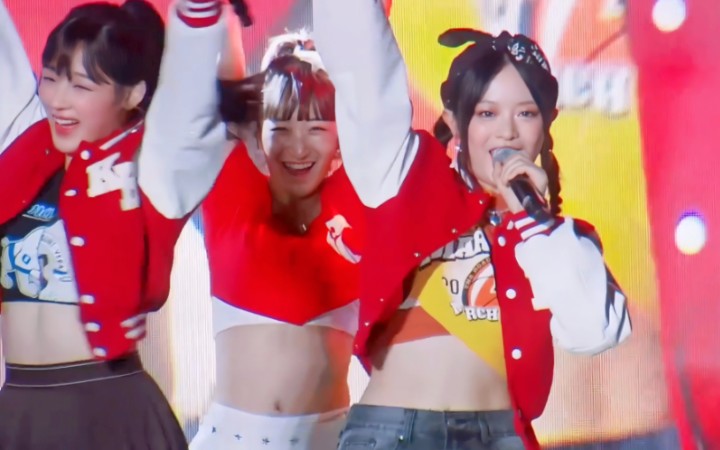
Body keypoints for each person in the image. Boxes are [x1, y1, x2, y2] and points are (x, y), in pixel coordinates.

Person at [313, 0, 632, 449]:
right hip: (396, 434)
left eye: (525, 113)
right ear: (455, 122)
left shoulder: (557, 239)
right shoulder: (406, 177)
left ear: (547, 124)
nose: (507, 132)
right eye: (487, 113)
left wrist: (530, 218)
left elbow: (595, 331)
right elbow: (360, 63)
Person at [0, 0, 230, 447]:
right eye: (51, 78)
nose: (57, 100)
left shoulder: (153, 163)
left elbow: (190, 95)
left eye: (81, 85)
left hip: (106, 409)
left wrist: (199, 15)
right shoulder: (25, 146)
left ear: (132, 94)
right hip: (18, 409)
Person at [187, 16, 365, 450]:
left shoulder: (360, 198)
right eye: (281, 129)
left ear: (342, 132)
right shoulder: (232, 187)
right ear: (258, 129)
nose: (298, 148)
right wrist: (222, 13)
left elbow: (370, 52)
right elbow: (225, 87)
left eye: (316, 129)